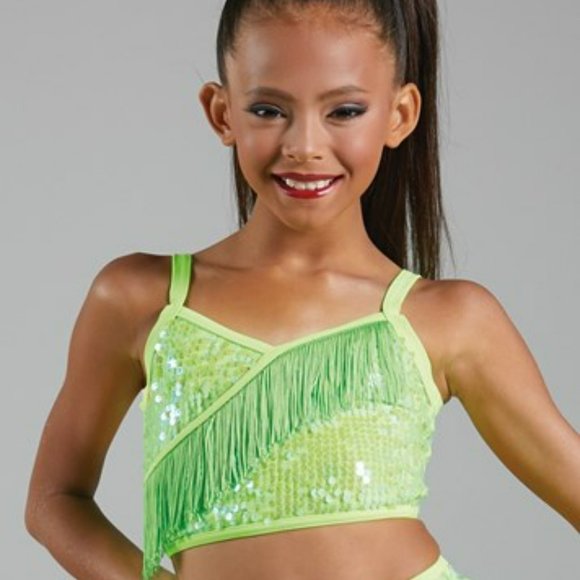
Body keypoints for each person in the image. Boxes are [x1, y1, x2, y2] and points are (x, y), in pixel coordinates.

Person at [25, 1, 580, 579]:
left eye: (345, 111)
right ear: (222, 113)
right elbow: (53, 502)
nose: (305, 145)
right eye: (268, 110)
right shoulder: (143, 299)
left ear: (400, 115)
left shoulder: (450, 319)